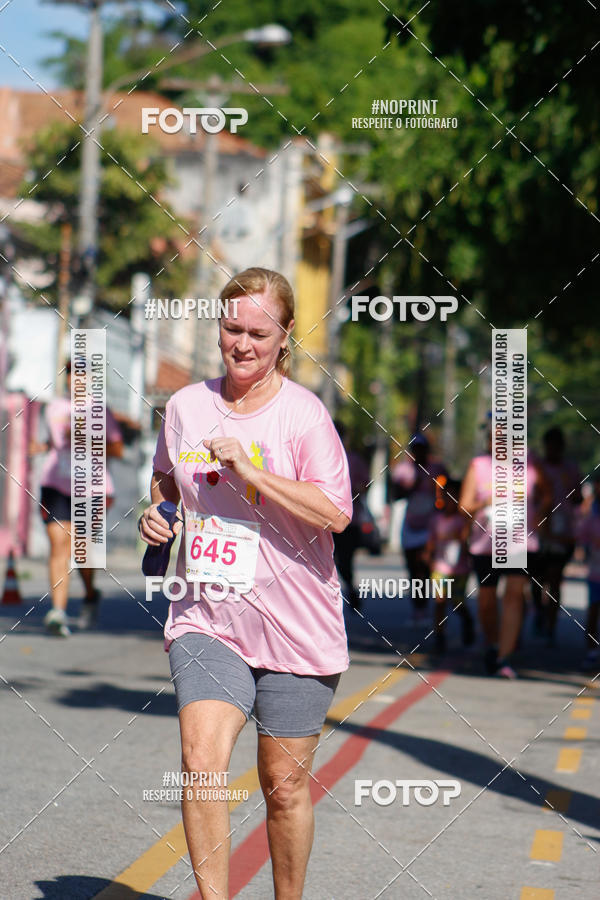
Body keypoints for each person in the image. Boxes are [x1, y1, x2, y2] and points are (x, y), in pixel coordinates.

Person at [139, 267, 352, 900]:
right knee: (202, 763)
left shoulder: (304, 417)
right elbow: (166, 480)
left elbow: (335, 512)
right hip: (208, 618)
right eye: (232, 328)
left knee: (283, 789)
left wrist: (252, 472)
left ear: (285, 336)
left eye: (258, 332)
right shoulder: (185, 408)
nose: (243, 344)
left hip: (296, 628)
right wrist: (159, 514)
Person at [30, 360, 123, 636]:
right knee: (59, 543)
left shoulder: (100, 411)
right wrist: (43, 446)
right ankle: (57, 612)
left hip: (92, 488)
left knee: (80, 549)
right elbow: (55, 441)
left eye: (83, 377)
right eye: (72, 375)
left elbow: (117, 449)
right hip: (57, 484)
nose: (76, 381)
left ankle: (91, 594)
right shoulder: (54, 408)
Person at [459, 422, 552, 678]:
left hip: (521, 541)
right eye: (493, 439)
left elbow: (547, 494)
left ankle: (504, 658)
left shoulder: (529, 462)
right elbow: (464, 506)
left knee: (514, 594)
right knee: (487, 601)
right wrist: (484, 502)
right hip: (485, 544)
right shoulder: (478, 466)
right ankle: (492, 644)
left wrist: (540, 516)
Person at [531, 427, 583, 641]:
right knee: (535, 580)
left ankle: (551, 625)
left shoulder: (571, 470)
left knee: (555, 578)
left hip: (562, 534)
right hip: (539, 532)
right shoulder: (537, 469)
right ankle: (539, 611)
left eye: (557, 446)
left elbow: (579, 498)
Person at [391, 433, 448, 624]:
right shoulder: (404, 470)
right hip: (410, 525)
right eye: (416, 449)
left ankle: (426, 606)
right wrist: (410, 487)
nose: (419, 453)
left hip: (430, 526)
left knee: (425, 566)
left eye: (422, 449)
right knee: (412, 568)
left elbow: (449, 490)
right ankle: (418, 607)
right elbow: (395, 495)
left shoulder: (437, 469)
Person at [424, 478, 475, 655]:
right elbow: (431, 541)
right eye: (448, 495)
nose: (451, 499)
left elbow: (468, 543)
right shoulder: (436, 519)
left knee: (457, 602)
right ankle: (439, 636)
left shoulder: (463, 521)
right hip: (440, 567)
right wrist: (428, 558)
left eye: (455, 495)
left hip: (459, 569)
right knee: (440, 601)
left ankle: (467, 620)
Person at [332, 422, 373, 612]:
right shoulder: (322, 457)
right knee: (330, 559)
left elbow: (366, 485)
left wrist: (353, 490)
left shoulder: (354, 460)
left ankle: (349, 589)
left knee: (345, 560)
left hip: (350, 520)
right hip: (324, 520)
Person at [575, 472, 600, 672]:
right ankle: (591, 651)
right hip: (595, 573)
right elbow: (581, 539)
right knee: (593, 610)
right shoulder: (592, 518)